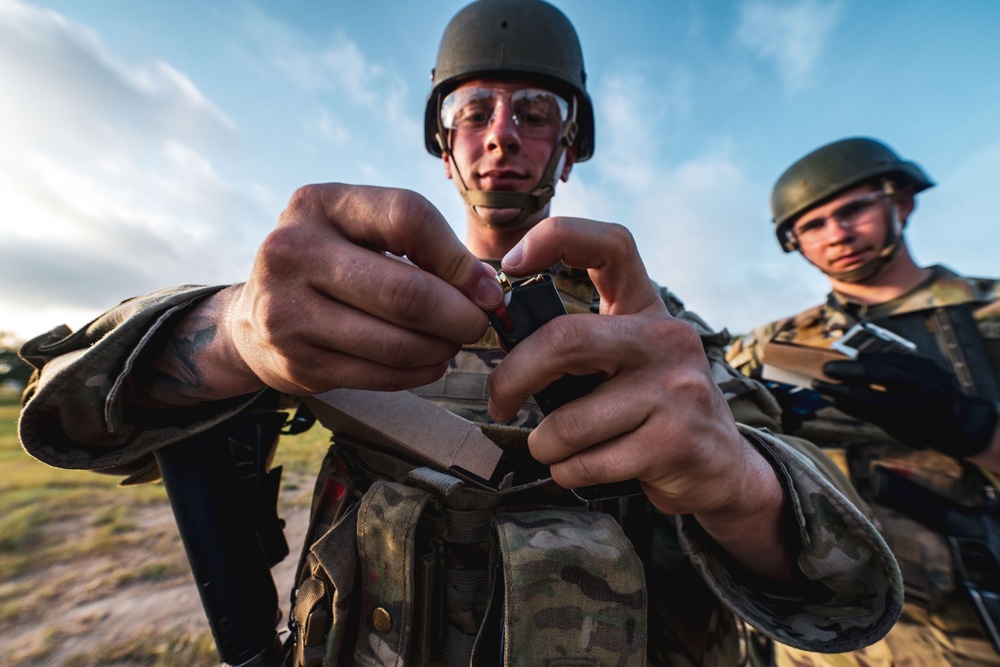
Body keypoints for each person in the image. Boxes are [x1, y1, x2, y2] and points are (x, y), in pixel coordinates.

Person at [18, 3, 901, 665]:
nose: (501, 137)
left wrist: (738, 480)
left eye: (536, 113)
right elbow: (62, 413)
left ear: (571, 146)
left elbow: (844, 588)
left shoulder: (651, 331)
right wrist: (229, 335)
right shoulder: (340, 298)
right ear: (443, 146)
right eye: (474, 112)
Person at [727, 136, 1000, 666]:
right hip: (828, 641)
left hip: (974, 627)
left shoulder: (988, 316)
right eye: (813, 225)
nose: (838, 235)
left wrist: (975, 432)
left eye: (854, 210)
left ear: (900, 202)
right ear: (795, 243)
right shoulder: (771, 347)